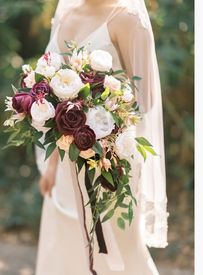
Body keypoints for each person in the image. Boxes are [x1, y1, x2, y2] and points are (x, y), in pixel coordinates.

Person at [35, 0, 169, 274]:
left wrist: (101, 113)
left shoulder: (128, 19)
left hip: (112, 164)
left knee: (123, 250)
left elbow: (147, 101)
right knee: (66, 244)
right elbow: (51, 85)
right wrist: (51, 165)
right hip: (66, 160)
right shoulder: (66, 13)